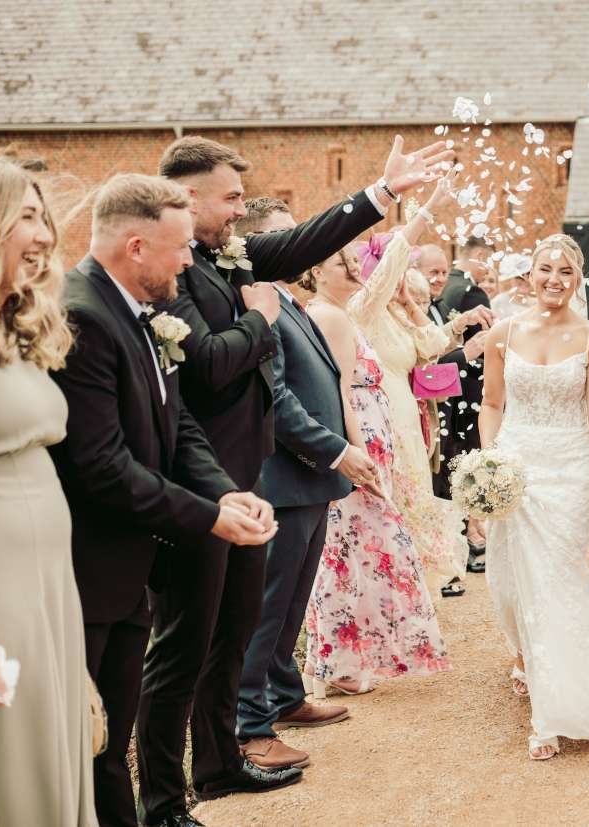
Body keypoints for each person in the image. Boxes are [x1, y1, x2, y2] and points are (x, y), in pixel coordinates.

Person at [137, 134, 451, 819]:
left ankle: (221, 763)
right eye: (231, 196)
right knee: (187, 644)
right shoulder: (172, 273)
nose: (240, 207)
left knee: (235, 629)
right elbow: (209, 366)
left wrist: (384, 192)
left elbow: (308, 240)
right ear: (189, 198)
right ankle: (162, 798)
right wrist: (258, 318)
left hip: (248, 480)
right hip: (202, 481)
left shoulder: (231, 254)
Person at [50, 173, 278, 827]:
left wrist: (227, 491)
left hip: (129, 570)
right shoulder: (83, 315)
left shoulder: (143, 310)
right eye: (180, 247)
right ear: (136, 245)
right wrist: (209, 517)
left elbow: (177, 426)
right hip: (87, 567)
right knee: (83, 744)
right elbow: (102, 465)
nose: (190, 260)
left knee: (110, 740)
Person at [478, 233, 589, 760]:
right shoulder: (503, 334)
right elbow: (491, 405)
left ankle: (550, 713)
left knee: (557, 575)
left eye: (565, 272)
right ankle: (528, 655)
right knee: (511, 579)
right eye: (545, 269)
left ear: (577, 280)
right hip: (517, 466)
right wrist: (490, 462)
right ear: (529, 275)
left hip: (573, 470)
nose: (554, 280)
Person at [0, 157, 96, 827]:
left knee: (49, 736)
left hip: (47, 574)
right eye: (26, 215)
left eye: (43, 215)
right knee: (8, 746)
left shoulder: (15, 331)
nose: (46, 232)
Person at [234, 239, 384, 772]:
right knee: (268, 606)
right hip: (283, 474)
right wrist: (337, 450)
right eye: (284, 233)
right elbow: (277, 398)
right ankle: (250, 725)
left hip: (310, 480)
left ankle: (284, 695)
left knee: (293, 602)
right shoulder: (264, 308)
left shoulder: (290, 300)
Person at [305, 216, 453, 697]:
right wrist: (357, 451)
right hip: (355, 446)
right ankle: (332, 664)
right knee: (347, 554)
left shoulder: (343, 314)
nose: (352, 266)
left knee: (356, 552)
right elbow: (344, 391)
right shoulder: (328, 316)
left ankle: (342, 663)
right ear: (313, 273)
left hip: (370, 439)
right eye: (339, 261)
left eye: (352, 259)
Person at [351, 202, 491, 596]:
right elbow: (382, 281)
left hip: (411, 423)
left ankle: (409, 590)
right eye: (398, 279)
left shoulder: (395, 315)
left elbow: (428, 343)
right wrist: (423, 216)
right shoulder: (364, 312)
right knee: (395, 511)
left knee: (415, 505)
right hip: (384, 422)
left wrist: (454, 321)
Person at [425, 241, 494, 572]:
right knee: (453, 473)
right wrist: (467, 356)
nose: (439, 278)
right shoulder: (472, 293)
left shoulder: (442, 298)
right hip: (458, 398)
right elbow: (424, 366)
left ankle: (455, 553)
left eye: (442, 271)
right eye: (432, 272)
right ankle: (460, 549)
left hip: (448, 400)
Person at [490, 253, 536, 320]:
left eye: (529, 275)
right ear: (511, 279)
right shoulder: (498, 302)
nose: (526, 280)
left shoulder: (536, 303)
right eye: (520, 277)